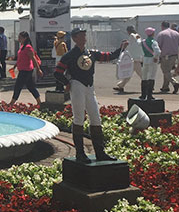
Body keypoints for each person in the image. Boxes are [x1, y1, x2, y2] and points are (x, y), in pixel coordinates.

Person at [54, 28, 127, 163]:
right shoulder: (69, 55)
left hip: (89, 87)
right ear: (75, 38)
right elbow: (57, 72)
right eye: (81, 36)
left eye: (85, 35)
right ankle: (80, 153)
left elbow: (109, 56)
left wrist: (121, 48)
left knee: (96, 118)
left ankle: (100, 152)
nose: (84, 38)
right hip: (77, 86)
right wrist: (67, 83)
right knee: (79, 118)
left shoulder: (92, 53)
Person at [8, 31, 42, 106]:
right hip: (23, 69)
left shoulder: (28, 47)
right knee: (31, 87)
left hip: (26, 70)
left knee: (18, 86)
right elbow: (20, 59)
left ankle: (12, 103)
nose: (19, 39)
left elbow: (33, 59)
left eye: (20, 38)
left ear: (25, 38)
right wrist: (14, 67)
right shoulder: (22, 46)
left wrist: (38, 69)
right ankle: (39, 102)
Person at [114, 26, 142, 93]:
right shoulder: (138, 36)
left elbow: (130, 45)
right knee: (129, 74)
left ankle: (148, 85)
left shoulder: (132, 36)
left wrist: (126, 44)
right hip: (136, 58)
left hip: (133, 58)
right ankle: (121, 86)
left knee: (140, 74)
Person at [155, 21, 179, 93]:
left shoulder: (162, 34)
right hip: (174, 55)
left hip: (166, 55)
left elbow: (158, 45)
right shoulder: (176, 33)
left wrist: (157, 56)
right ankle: (165, 87)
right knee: (168, 71)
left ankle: (174, 83)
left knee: (165, 71)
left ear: (162, 26)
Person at [139, 27, 161, 100]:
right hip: (152, 60)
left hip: (145, 59)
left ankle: (143, 94)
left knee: (144, 77)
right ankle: (149, 95)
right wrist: (155, 57)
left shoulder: (143, 42)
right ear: (152, 33)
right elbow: (158, 51)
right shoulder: (153, 42)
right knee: (151, 76)